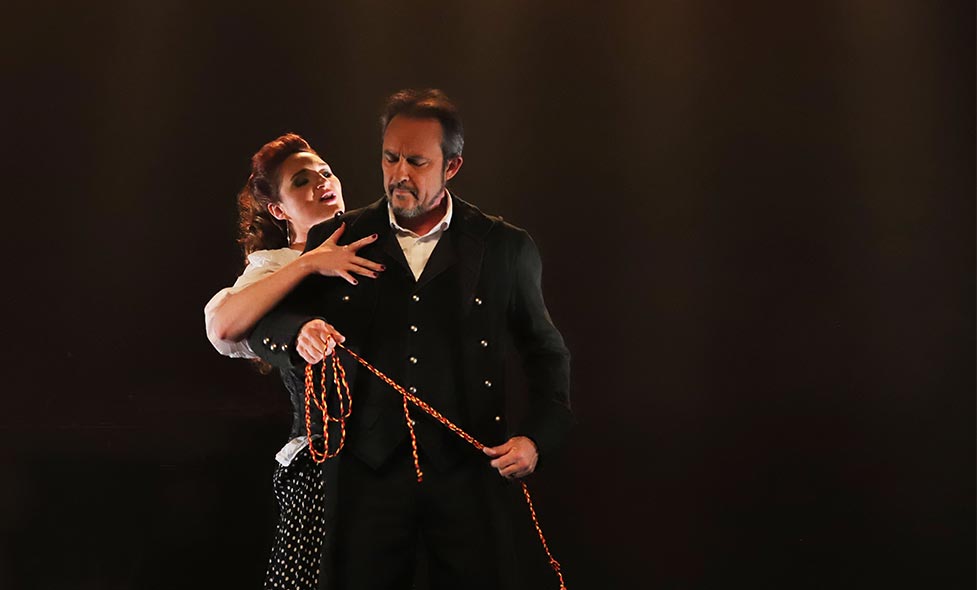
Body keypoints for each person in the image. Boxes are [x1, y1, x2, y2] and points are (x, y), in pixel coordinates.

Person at [249, 89, 573, 590]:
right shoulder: (337, 236)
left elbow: (546, 354)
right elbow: (267, 323)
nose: (399, 173)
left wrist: (536, 440)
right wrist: (299, 331)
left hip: (469, 472)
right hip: (366, 475)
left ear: (452, 166)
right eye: (390, 157)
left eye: (417, 162)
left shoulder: (505, 247)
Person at [204, 133, 383, 590]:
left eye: (325, 173)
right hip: (322, 461)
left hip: (396, 457)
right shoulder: (275, 266)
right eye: (302, 181)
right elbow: (223, 327)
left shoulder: (376, 246)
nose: (322, 183)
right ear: (279, 210)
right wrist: (308, 263)